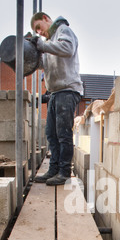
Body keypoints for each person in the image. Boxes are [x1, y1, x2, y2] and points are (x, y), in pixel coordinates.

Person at [30, 12, 83, 186]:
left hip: (68, 90)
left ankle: (64, 172)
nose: (39, 32)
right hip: (55, 92)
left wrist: (42, 45)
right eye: (36, 31)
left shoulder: (63, 30)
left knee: (63, 133)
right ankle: (54, 170)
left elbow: (67, 50)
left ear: (46, 18)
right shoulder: (50, 43)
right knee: (51, 134)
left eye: (39, 27)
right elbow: (41, 63)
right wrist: (31, 50)